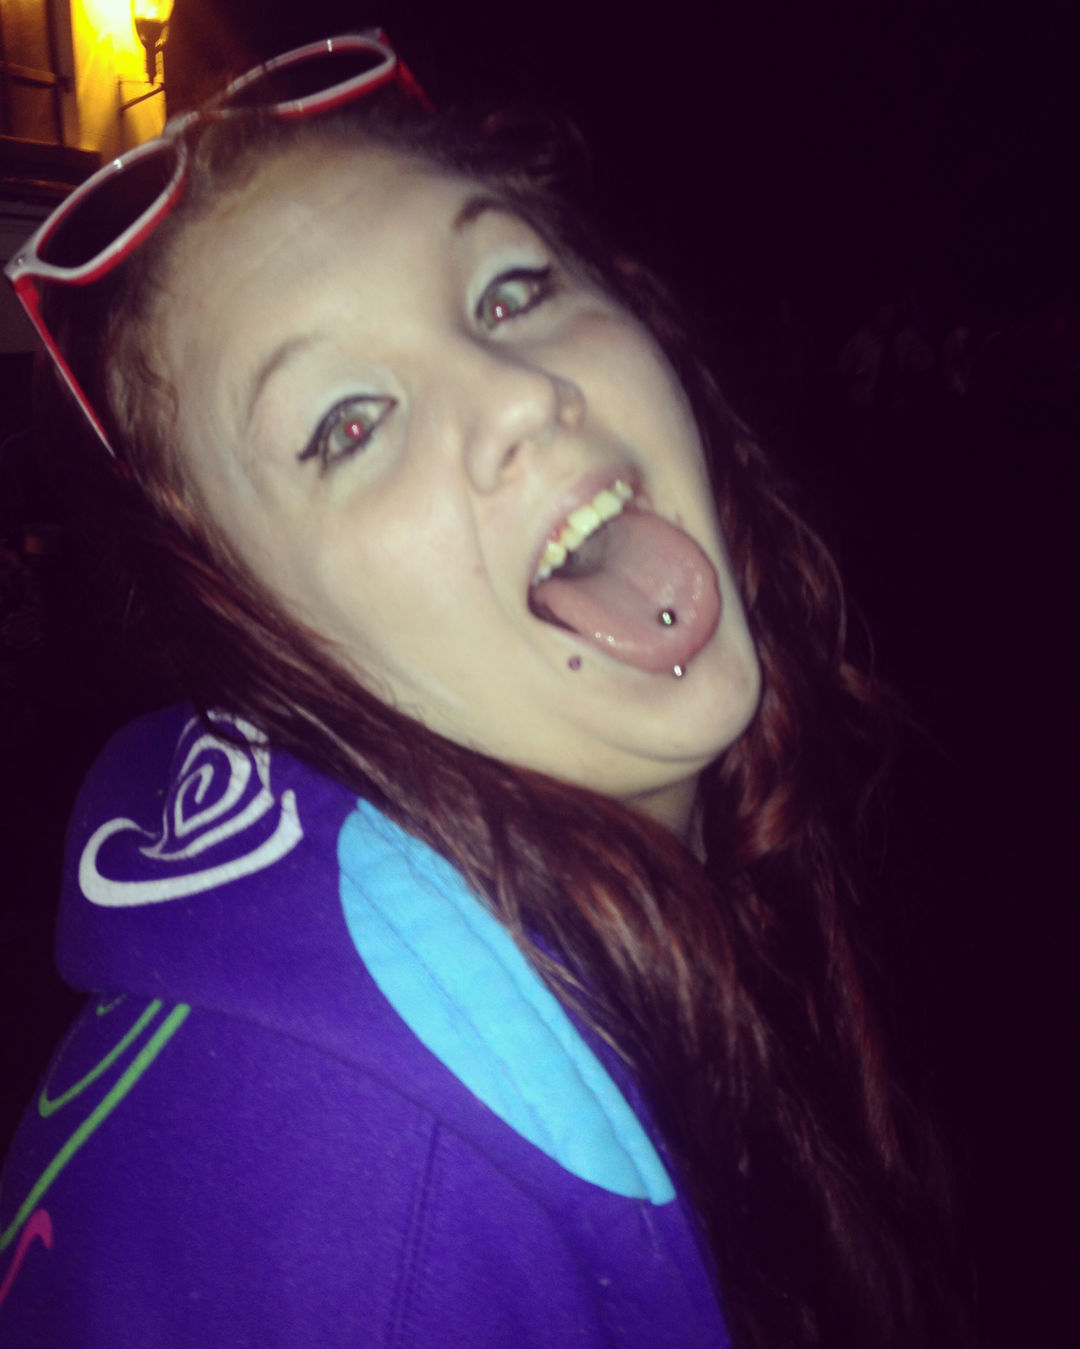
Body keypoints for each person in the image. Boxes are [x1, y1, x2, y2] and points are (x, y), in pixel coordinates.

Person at [1, 31, 965, 1349]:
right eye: (348, 424)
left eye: (510, 291)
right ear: (247, 639)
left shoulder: (681, 899)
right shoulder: (360, 1207)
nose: (520, 398)